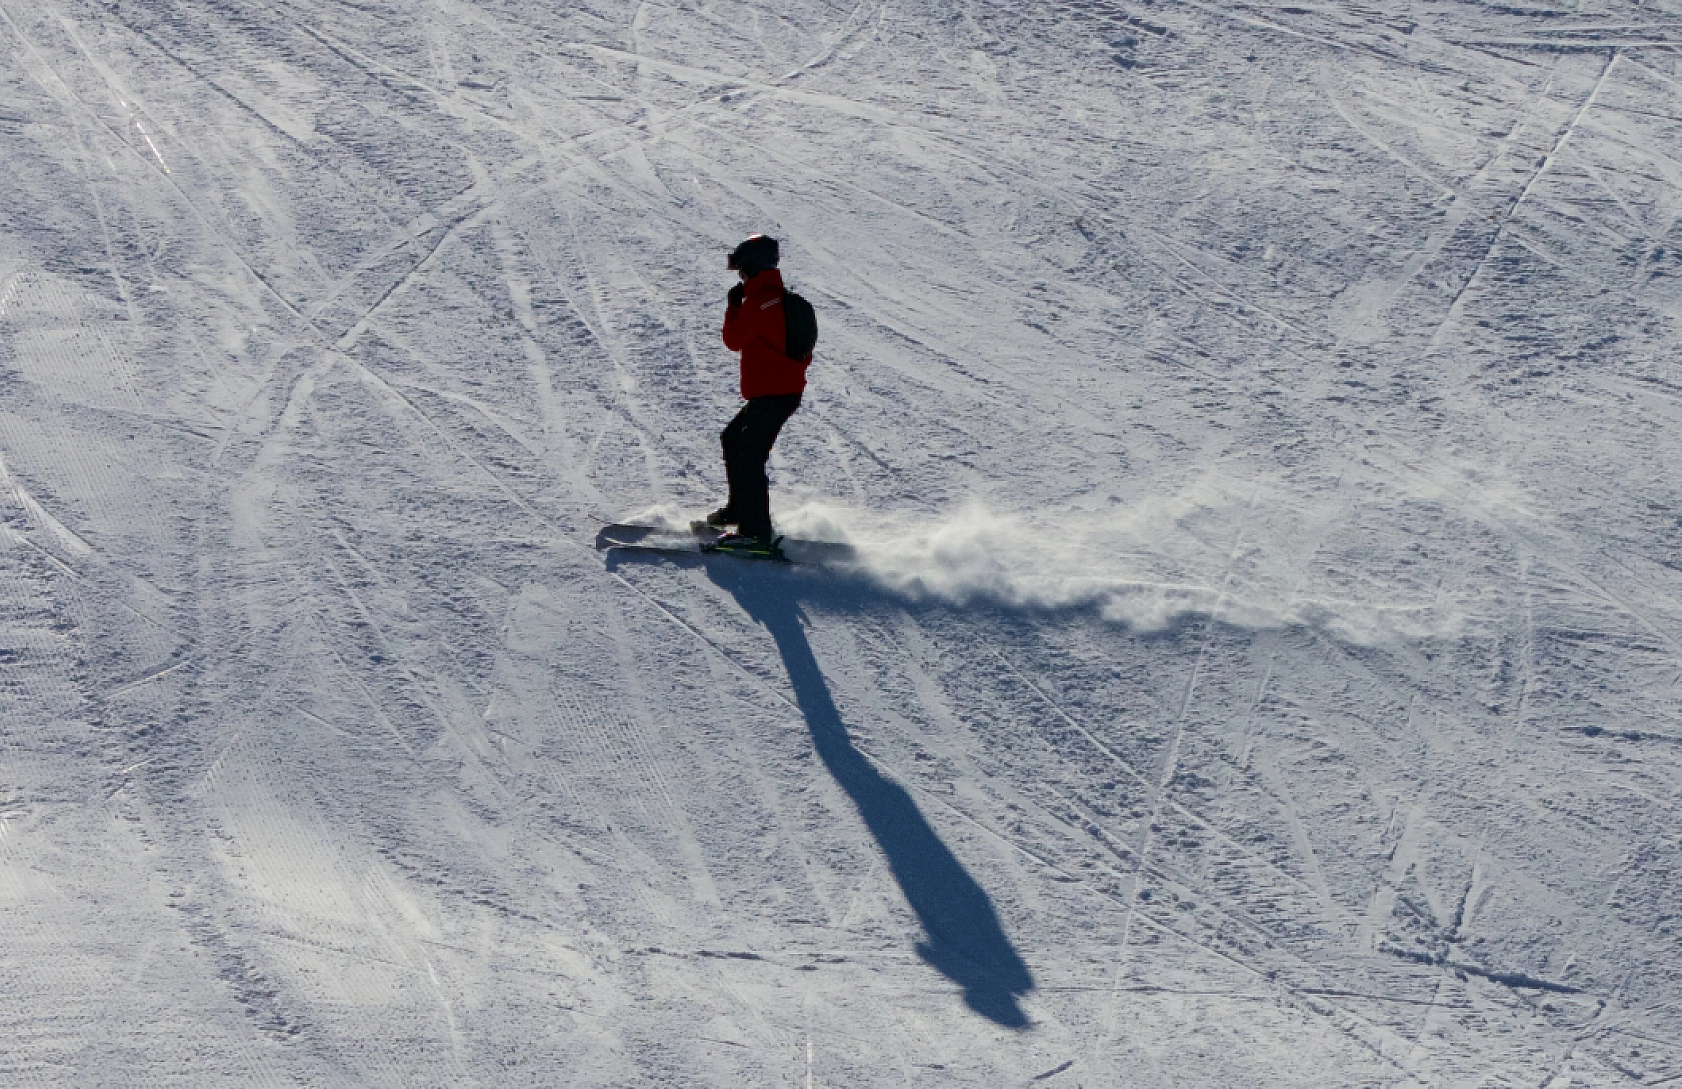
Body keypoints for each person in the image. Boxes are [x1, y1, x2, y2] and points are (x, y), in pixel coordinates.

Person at [706, 234, 810, 549]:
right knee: (733, 438)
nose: (740, 277)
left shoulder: (759, 303)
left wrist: (733, 307)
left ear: (750, 268)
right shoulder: (773, 297)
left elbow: (733, 340)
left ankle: (755, 533)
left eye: (741, 271)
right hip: (776, 392)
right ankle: (740, 509)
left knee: (750, 456)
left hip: (774, 394)